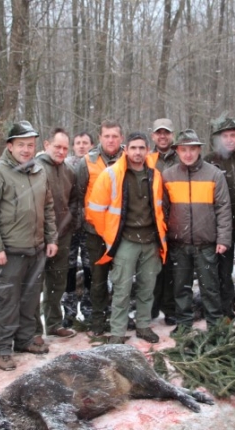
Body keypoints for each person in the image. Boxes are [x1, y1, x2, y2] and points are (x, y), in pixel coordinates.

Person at [0, 120, 58, 371]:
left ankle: (25, 340)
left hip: (36, 248)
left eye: (30, 145)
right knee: (8, 301)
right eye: (21, 145)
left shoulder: (39, 170)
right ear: (10, 146)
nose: (26, 149)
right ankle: (2, 348)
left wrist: (51, 238)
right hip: (10, 251)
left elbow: (47, 208)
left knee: (30, 299)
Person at [87, 132, 167, 344]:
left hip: (150, 240)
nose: (138, 152)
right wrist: (110, 235)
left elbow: (159, 209)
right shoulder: (111, 174)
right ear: (126, 150)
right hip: (126, 241)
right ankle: (117, 332)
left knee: (147, 287)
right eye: (133, 148)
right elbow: (95, 210)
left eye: (142, 148)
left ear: (147, 150)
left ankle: (143, 325)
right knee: (122, 289)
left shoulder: (155, 175)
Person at [162, 129, 232, 333]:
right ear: (177, 151)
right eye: (184, 150)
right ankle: (184, 324)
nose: (188, 154)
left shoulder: (214, 174)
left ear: (199, 150)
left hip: (206, 243)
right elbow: (163, 211)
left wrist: (223, 238)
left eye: (192, 149)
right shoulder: (168, 176)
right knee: (180, 287)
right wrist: (164, 239)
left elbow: (223, 209)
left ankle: (214, 325)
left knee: (210, 287)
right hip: (178, 242)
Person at [75, 120, 124, 335]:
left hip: (122, 231)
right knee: (97, 278)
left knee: (123, 278)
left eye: (115, 136)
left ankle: (119, 319)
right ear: (100, 138)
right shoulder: (87, 161)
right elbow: (78, 195)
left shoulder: (129, 158)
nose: (111, 140)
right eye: (107, 136)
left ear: (121, 138)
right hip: (95, 232)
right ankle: (97, 321)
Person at [205, 114, 235, 321]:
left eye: (233, 135)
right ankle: (225, 309)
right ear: (218, 138)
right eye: (225, 136)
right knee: (222, 271)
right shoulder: (209, 161)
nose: (230, 139)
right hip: (221, 226)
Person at [33, 128, 78, 339]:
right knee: (34, 284)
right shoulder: (36, 169)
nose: (61, 151)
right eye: (57, 146)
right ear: (46, 145)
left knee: (57, 282)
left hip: (63, 234)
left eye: (65, 148)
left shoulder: (68, 170)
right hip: (39, 235)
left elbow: (75, 200)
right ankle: (32, 331)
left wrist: (71, 221)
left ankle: (53, 323)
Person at [146, 118, 178, 326]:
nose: (163, 136)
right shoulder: (148, 159)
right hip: (153, 220)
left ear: (172, 135)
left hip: (176, 219)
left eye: (166, 132)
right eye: (159, 132)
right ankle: (151, 307)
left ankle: (170, 308)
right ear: (153, 136)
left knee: (173, 269)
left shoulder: (181, 157)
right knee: (153, 268)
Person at [62, 132, 94, 327]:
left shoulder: (96, 165)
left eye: (85, 143)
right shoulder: (66, 166)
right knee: (70, 268)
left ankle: (89, 308)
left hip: (90, 226)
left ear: (92, 145)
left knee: (91, 269)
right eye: (78, 143)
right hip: (70, 226)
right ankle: (69, 310)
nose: (82, 146)